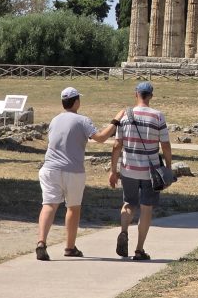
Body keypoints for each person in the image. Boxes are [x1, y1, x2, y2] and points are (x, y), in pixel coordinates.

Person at [37, 87, 125, 261]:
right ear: (76, 101)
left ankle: (41, 242)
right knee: (73, 207)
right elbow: (100, 138)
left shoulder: (55, 120)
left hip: (49, 168)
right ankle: (69, 247)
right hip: (73, 170)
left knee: (48, 205)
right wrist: (115, 121)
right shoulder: (82, 120)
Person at [109, 81, 171, 261]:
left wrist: (113, 170)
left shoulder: (125, 116)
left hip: (128, 168)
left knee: (128, 203)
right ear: (150, 96)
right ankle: (139, 249)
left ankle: (123, 231)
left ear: (136, 94)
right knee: (146, 208)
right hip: (150, 171)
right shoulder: (158, 116)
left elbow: (116, 145)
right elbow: (165, 145)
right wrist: (168, 167)